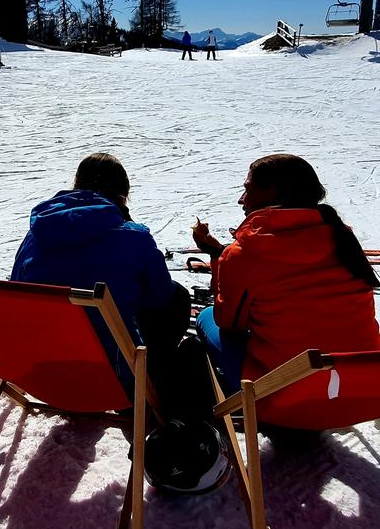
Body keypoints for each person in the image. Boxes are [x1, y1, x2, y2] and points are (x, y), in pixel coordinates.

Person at [12, 152, 229, 494]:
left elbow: (19, 293)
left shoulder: (36, 235)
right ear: (123, 195)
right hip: (114, 382)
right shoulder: (133, 236)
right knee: (176, 299)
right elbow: (160, 300)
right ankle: (163, 403)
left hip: (41, 375)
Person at [192, 154, 380, 395]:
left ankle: (232, 393)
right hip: (363, 387)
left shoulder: (246, 252)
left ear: (272, 193)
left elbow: (230, 323)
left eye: (248, 190)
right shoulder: (341, 237)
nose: (242, 200)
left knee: (207, 318)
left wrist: (219, 258)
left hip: (287, 399)